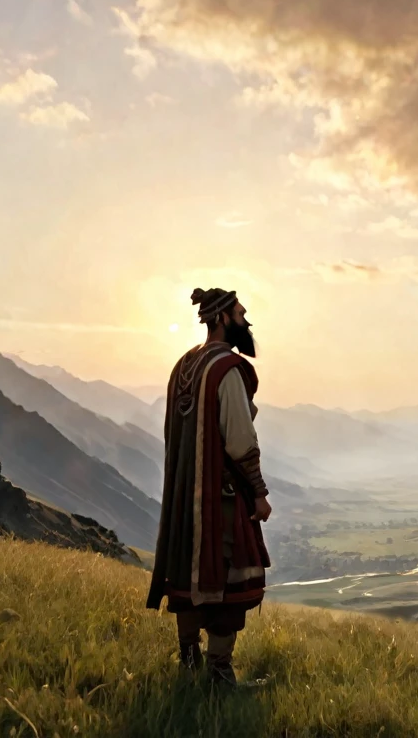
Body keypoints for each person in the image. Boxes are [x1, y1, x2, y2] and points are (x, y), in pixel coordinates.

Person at [147, 287, 273, 685]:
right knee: (226, 578)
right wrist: (259, 492)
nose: (245, 320)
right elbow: (239, 440)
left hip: (186, 496)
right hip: (221, 496)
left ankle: (188, 661)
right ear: (221, 318)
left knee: (188, 573)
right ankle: (220, 675)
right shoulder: (227, 369)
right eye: (239, 313)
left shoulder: (183, 365)